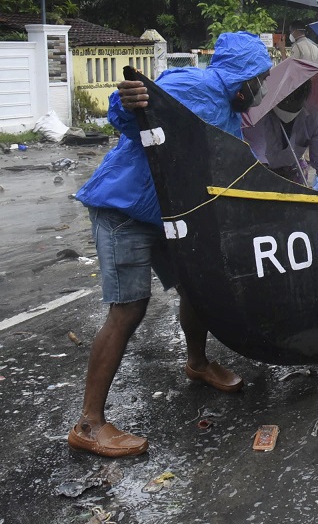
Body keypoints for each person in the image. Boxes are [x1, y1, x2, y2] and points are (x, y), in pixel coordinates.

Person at [70, 31, 272, 458]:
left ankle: (197, 364)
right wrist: (128, 98)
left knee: (196, 287)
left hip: (170, 214)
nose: (262, 89)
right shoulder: (191, 85)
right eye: (261, 79)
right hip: (125, 207)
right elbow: (130, 113)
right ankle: (89, 423)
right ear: (244, 76)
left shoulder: (234, 114)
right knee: (128, 309)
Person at [243, 80, 318, 193]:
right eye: (286, 101)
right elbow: (257, 160)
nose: (290, 105)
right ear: (277, 96)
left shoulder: (314, 118)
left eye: (297, 101)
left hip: (293, 171)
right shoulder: (257, 117)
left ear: (305, 98)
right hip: (263, 175)